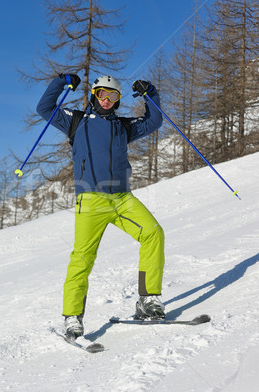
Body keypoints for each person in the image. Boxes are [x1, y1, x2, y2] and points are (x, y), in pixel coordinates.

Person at [36, 73, 166, 339]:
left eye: (113, 96)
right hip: (91, 201)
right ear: (94, 96)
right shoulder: (75, 121)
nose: (106, 100)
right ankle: (72, 316)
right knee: (82, 258)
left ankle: (147, 299)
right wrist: (61, 81)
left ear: (118, 100)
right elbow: (45, 108)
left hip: (122, 198)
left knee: (153, 233)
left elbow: (154, 121)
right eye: (101, 95)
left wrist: (150, 93)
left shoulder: (123, 127)